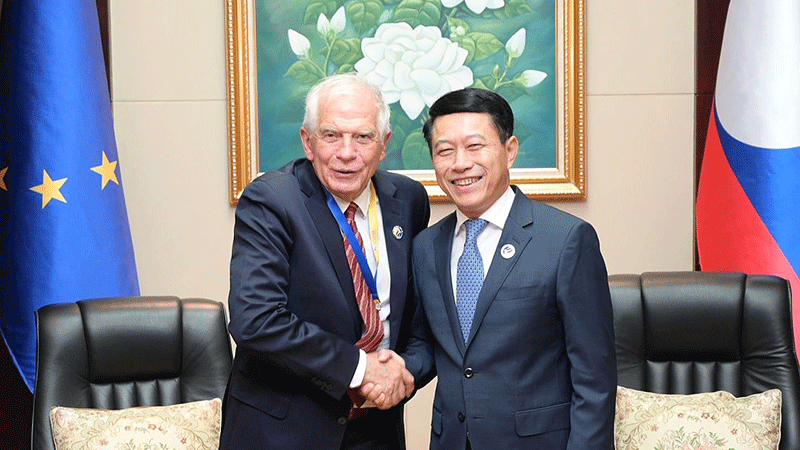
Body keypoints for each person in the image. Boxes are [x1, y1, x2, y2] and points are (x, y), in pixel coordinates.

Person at [219, 73, 430, 450]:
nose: (346, 152)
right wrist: (360, 369)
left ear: (384, 145)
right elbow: (256, 319)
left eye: (363, 137)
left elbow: (418, 317)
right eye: (331, 135)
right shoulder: (272, 200)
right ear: (308, 141)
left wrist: (403, 372)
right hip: (284, 431)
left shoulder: (409, 199)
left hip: (376, 426)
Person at [401, 88, 616, 449]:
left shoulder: (565, 240)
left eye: (475, 146)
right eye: (445, 150)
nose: (460, 164)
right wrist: (395, 372)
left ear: (510, 149)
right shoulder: (426, 246)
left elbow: (594, 377)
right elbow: (427, 343)